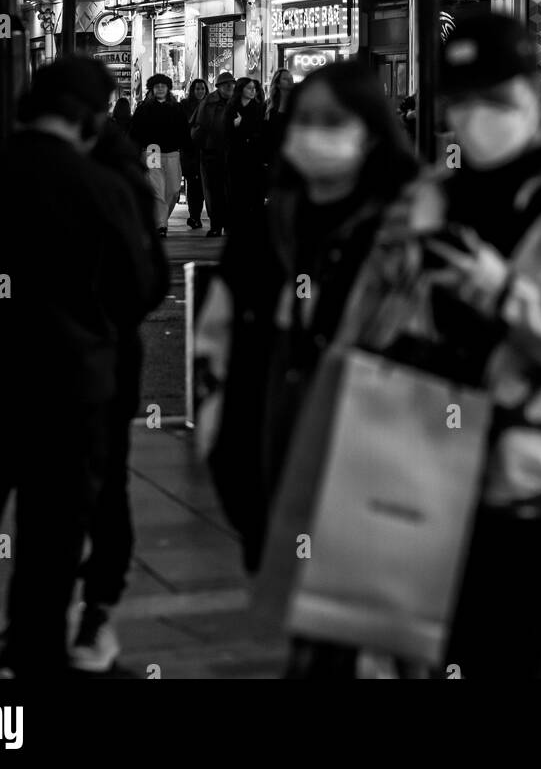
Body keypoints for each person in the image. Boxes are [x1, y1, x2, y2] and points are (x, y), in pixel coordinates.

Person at [346, 10, 541, 679]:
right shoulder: (428, 199)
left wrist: (498, 291)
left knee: (522, 653)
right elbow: (365, 334)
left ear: (535, 98)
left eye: (497, 99)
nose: (478, 117)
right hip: (420, 466)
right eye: (463, 103)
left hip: (536, 481)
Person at [0, 57, 158, 679]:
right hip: (73, 401)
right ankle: (35, 660)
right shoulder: (103, 189)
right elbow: (138, 290)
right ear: (92, 120)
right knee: (49, 558)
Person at [195, 61, 419, 676]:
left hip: (390, 485)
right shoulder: (269, 229)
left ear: (371, 133)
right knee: (317, 651)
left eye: (334, 123)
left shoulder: (415, 227)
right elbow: (219, 350)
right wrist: (228, 455)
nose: (315, 136)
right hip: (282, 466)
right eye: (305, 122)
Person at [0, 114, 169, 676]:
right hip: (77, 366)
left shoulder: (107, 182)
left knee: (92, 493)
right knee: (65, 500)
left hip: (89, 367)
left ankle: (88, 618)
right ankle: (42, 626)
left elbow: (145, 281)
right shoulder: (75, 177)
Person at [129, 73, 188, 238]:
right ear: (152, 89)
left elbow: (184, 131)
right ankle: (161, 225)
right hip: (152, 151)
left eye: (163, 86)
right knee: (157, 189)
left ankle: (161, 220)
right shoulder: (143, 108)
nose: (160, 88)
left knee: (174, 190)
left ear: (168, 88)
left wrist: (186, 149)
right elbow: (135, 132)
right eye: (157, 86)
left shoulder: (177, 108)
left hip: (172, 152)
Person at [192, 70, 236, 236]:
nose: (230, 87)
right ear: (219, 87)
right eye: (226, 85)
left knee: (230, 192)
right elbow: (199, 128)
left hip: (231, 152)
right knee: (214, 191)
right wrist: (202, 147)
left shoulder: (235, 101)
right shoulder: (209, 103)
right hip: (211, 152)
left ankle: (229, 224)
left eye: (232, 85)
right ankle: (216, 224)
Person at [225, 77, 266, 232]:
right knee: (236, 192)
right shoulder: (232, 107)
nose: (252, 90)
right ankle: (235, 225)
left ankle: (253, 226)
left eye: (254, 88)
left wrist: (241, 125)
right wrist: (238, 127)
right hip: (235, 157)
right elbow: (227, 133)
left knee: (254, 192)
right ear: (241, 89)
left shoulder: (258, 108)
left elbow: (259, 132)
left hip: (253, 157)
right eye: (249, 88)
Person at [182, 78, 208, 229]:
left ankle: (197, 216)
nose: (200, 91)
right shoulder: (185, 105)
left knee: (205, 186)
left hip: (206, 150)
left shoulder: (210, 105)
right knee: (193, 186)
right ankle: (195, 216)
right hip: (191, 151)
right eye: (197, 89)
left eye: (202, 89)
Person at [264, 69, 294, 174]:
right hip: (274, 154)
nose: (290, 80)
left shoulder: (298, 103)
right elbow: (266, 133)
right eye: (285, 79)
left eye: (291, 78)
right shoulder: (269, 105)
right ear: (278, 83)